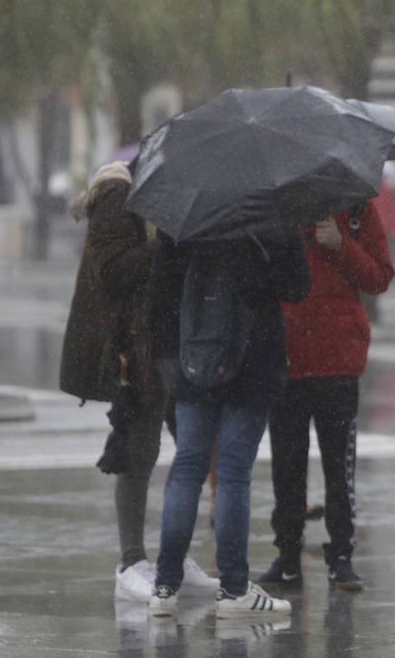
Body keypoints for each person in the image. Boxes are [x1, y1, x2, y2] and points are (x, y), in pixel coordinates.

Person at [59, 160, 219, 602]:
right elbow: (112, 271)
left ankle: (174, 558)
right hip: (136, 345)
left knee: (191, 447)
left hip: (174, 338)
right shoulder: (118, 193)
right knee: (138, 448)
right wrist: (167, 243)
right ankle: (131, 561)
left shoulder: (174, 198)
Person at [147, 224, 311, 618]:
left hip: (195, 355)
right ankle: (234, 589)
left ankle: (165, 587)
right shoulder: (268, 211)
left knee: (188, 468)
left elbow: (160, 292)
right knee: (234, 474)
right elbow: (297, 285)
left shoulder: (186, 215)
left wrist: (172, 354)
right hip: (253, 360)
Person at [259, 202, 393, 592]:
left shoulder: (356, 209)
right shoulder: (279, 205)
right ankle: (287, 556)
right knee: (286, 466)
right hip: (286, 360)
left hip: (339, 363)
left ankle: (341, 557)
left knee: (339, 468)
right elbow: (257, 274)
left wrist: (341, 244)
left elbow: (380, 277)